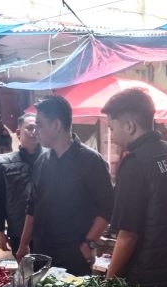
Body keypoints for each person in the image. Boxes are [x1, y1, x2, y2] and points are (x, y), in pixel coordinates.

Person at [102, 88, 167, 287]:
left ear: (129, 126)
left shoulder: (135, 163)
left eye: (111, 128)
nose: (112, 136)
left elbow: (128, 235)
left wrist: (108, 283)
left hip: (149, 280)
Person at [16, 96, 114, 276]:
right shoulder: (42, 160)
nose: (36, 131)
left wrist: (88, 244)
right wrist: (23, 245)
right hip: (41, 252)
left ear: (56, 125)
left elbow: (107, 208)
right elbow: (32, 206)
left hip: (74, 254)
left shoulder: (92, 161)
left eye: (40, 125)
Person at [0, 114, 42, 253]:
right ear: (18, 133)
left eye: (38, 127)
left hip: (48, 231)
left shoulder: (51, 158)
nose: (35, 132)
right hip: (18, 230)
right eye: (30, 128)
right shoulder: (4, 162)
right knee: (25, 266)